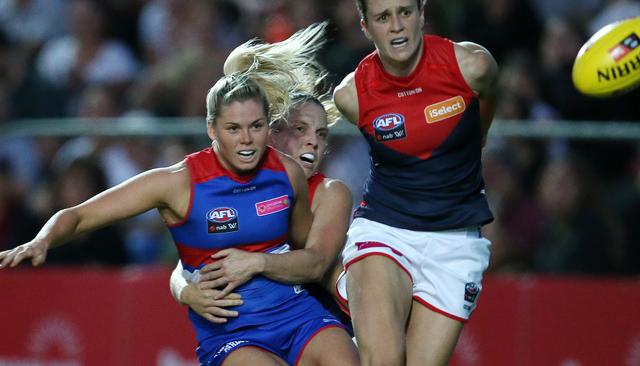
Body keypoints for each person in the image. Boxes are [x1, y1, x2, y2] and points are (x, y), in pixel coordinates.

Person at [0, 59, 357, 366]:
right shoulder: (176, 184)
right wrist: (43, 238)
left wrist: (261, 264)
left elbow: (309, 259)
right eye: (233, 128)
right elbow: (79, 215)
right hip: (232, 330)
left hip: (298, 315)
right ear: (211, 128)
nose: (247, 139)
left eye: (256, 126)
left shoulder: (287, 173)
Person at [332, 0, 499, 365]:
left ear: (421, 14)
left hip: (456, 243)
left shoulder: (472, 65)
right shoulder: (351, 95)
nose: (396, 26)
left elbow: (488, 99)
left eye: (405, 12)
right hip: (384, 229)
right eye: (382, 17)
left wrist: (478, 138)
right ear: (365, 26)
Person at [169, 23, 355, 333]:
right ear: (270, 133)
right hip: (263, 324)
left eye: (321, 134)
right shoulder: (243, 186)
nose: (313, 142)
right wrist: (186, 290)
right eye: (300, 130)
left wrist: (255, 263)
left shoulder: (330, 192)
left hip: (331, 322)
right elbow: (190, 259)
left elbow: (316, 264)